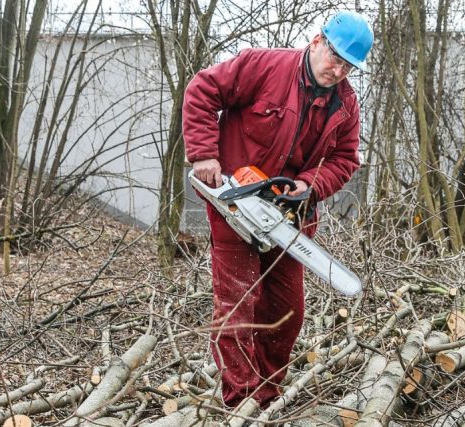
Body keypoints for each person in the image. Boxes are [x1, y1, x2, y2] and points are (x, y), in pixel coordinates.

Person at [182, 11, 373, 408]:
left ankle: (267, 396)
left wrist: (308, 186)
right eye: (334, 58)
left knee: (286, 312)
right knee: (238, 306)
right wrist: (204, 154)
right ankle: (240, 401)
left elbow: (345, 158)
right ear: (318, 41)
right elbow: (202, 90)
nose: (337, 70)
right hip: (237, 205)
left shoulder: (346, 105)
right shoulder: (264, 65)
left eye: (346, 66)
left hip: (290, 215)